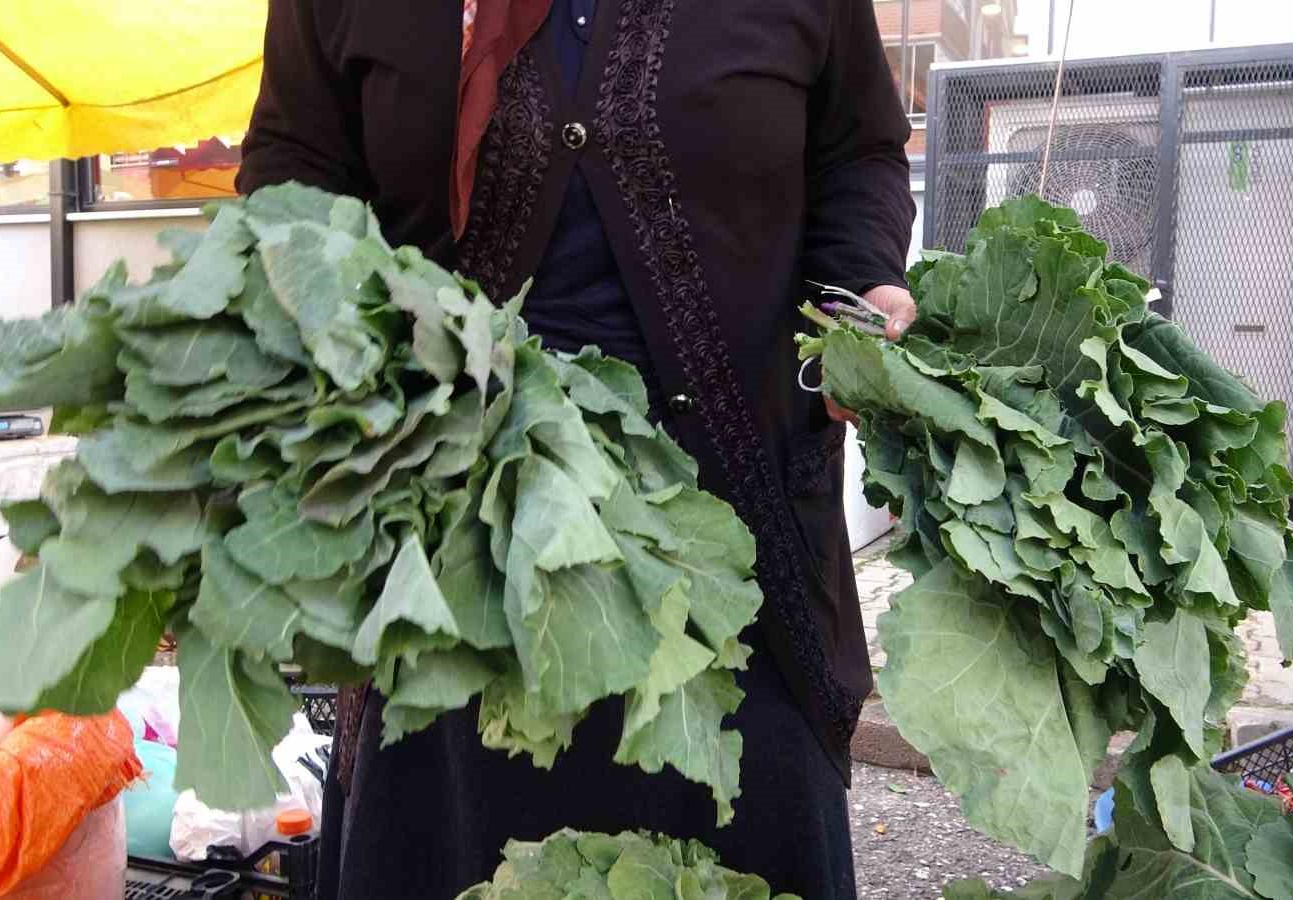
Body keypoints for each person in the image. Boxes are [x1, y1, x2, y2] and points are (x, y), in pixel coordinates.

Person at [236, 1, 916, 897]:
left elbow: (857, 149)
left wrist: (860, 288)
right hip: (454, 570)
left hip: (740, 567)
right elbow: (293, 165)